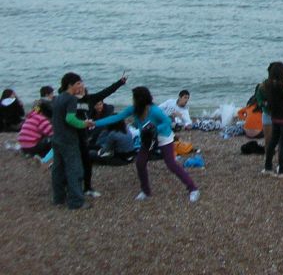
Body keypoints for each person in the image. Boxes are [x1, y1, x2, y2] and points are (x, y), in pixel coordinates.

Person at [92, 86, 199, 202]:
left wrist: (154, 129)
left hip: (163, 137)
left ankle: (193, 189)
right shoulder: (134, 109)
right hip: (148, 139)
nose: (132, 100)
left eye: (134, 98)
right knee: (140, 163)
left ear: (141, 99)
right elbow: (117, 117)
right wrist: (94, 123)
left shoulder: (154, 110)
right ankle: (146, 191)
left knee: (171, 164)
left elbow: (167, 122)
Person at [76, 74, 128, 197]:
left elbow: (106, 92)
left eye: (82, 89)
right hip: (73, 136)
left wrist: (120, 82)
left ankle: (87, 188)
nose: (80, 90)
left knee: (87, 163)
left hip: (84, 137)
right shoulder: (70, 101)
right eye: (78, 89)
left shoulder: (90, 99)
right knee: (73, 164)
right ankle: (70, 187)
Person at [51, 73, 92, 210]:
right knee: (75, 169)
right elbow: (70, 119)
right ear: (70, 85)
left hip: (56, 137)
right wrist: (84, 124)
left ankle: (59, 198)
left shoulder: (57, 98)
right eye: (78, 83)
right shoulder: (71, 99)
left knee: (58, 169)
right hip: (68, 139)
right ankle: (76, 202)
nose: (81, 86)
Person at [256, 61, 283, 178]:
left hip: (275, 118)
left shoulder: (267, 86)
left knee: (273, 142)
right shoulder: (280, 87)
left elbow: (275, 97)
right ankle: (282, 171)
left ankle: (268, 168)